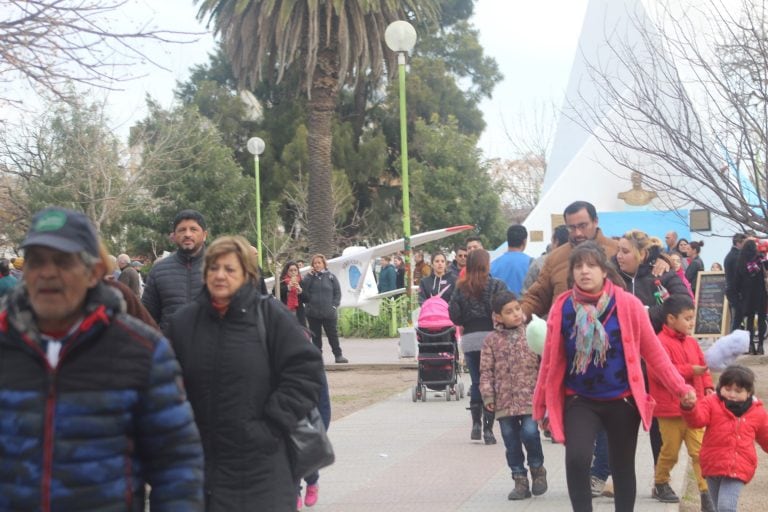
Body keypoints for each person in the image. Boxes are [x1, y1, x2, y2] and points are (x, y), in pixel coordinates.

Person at [0, 206, 204, 510]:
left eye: (62, 261)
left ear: (94, 272)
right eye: (37, 261)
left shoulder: (143, 351)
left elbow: (176, 468)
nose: (47, 272)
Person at [532, 241, 695, 512]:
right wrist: (541, 407)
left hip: (622, 399)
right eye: (578, 266)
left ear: (604, 271)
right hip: (579, 399)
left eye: (591, 265)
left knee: (622, 466)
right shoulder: (563, 307)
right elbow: (549, 362)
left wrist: (681, 388)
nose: (585, 271)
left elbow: (654, 353)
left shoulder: (628, 305)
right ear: (572, 272)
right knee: (577, 459)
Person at [166, 235, 324, 511]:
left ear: (246, 274)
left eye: (229, 269)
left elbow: (306, 373)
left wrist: (271, 424)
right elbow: (166, 383)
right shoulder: (183, 323)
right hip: (201, 466)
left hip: (261, 466)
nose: (220, 275)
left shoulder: (271, 317)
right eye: (213, 268)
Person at [648, 295, 715, 510]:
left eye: (692, 317)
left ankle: (706, 493)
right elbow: (660, 372)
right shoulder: (658, 343)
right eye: (687, 318)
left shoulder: (693, 344)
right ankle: (660, 482)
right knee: (670, 451)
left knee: (699, 451)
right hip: (670, 409)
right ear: (670, 318)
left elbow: (703, 368)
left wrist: (707, 386)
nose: (691, 322)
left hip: (695, 408)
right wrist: (690, 371)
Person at [480, 291, 547, 501]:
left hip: (529, 397)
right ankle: (520, 479)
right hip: (504, 401)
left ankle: (537, 469)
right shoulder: (491, 341)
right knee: (510, 440)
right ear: (498, 317)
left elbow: (544, 364)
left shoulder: (532, 333)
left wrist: (545, 391)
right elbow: (485, 371)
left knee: (529, 433)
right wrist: (488, 396)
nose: (516, 314)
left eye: (517, 309)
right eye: (509, 312)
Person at [681, 365, 768, 512]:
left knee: (726, 507)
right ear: (720, 387)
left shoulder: (757, 412)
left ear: (748, 392)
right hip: (712, 463)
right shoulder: (711, 402)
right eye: (727, 389)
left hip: (739, 465)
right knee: (716, 507)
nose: (732, 394)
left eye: (738, 391)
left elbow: (766, 436)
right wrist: (690, 408)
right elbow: (697, 421)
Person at [521, 201, 620, 320]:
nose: (578, 233)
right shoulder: (555, 258)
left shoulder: (618, 252)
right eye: (572, 228)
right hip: (564, 332)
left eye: (583, 226)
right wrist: (519, 314)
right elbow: (537, 297)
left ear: (595, 221)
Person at [449, 249, 507, 445]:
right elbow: (505, 310)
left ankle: (476, 424)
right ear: (487, 264)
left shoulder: (460, 287)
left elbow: (454, 315)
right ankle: (489, 430)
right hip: (492, 339)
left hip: (471, 339)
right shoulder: (497, 285)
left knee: (476, 381)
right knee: (490, 383)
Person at [142, 209, 208, 333]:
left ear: (204, 235)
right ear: (174, 236)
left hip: (211, 349)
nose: (187, 234)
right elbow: (147, 318)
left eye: (193, 229)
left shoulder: (219, 268)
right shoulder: (158, 271)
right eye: (182, 230)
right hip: (171, 349)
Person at [302, 253, 348, 363]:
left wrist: (333, 306)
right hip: (313, 313)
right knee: (316, 337)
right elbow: (304, 292)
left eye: (319, 263)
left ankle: (338, 355)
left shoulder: (331, 277)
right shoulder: (309, 278)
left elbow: (337, 293)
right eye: (315, 263)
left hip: (329, 313)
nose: (317, 265)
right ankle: (318, 358)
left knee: (333, 335)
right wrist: (309, 277)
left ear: (324, 264)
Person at [734, 239, 768, 355]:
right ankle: (761, 346)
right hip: (761, 293)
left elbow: (737, 280)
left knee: (750, 319)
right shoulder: (760, 259)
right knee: (762, 319)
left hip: (747, 294)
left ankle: (750, 345)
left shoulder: (740, 261)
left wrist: (738, 293)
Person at [522, 224, 569, 295]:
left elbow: (526, 292)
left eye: (551, 241)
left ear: (556, 242)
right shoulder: (579, 262)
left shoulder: (540, 263)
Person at [491, 224, 532, 295]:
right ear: (524, 241)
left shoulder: (493, 265)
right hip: (524, 304)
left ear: (508, 240)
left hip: (499, 304)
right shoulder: (532, 264)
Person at [724, 233, 747, 331]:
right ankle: (732, 341)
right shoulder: (736, 256)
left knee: (736, 318)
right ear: (738, 243)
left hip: (732, 291)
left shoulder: (732, 254)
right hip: (736, 292)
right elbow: (739, 275)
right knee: (737, 318)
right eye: (744, 243)